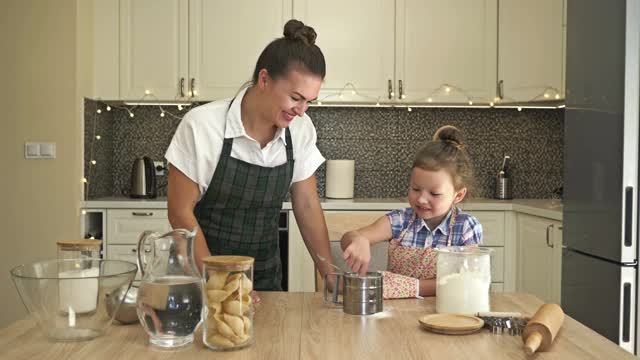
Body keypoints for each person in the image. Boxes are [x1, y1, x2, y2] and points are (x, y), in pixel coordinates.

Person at [165, 19, 335, 291]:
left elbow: (306, 205)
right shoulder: (202, 126)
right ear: (265, 79)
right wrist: (220, 285)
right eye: (295, 97)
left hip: (265, 278)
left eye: (308, 102)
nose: (302, 110)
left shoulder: (300, 130)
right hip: (197, 279)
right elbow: (179, 212)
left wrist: (331, 275)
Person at [340, 125, 483, 297]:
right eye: (415, 189)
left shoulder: (466, 227)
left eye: (434, 193)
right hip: (398, 313)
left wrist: (413, 287)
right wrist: (358, 240)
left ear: (458, 195)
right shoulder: (400, 221)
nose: (422, 199)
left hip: (446, 313)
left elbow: (470, 280)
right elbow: (348, 238)